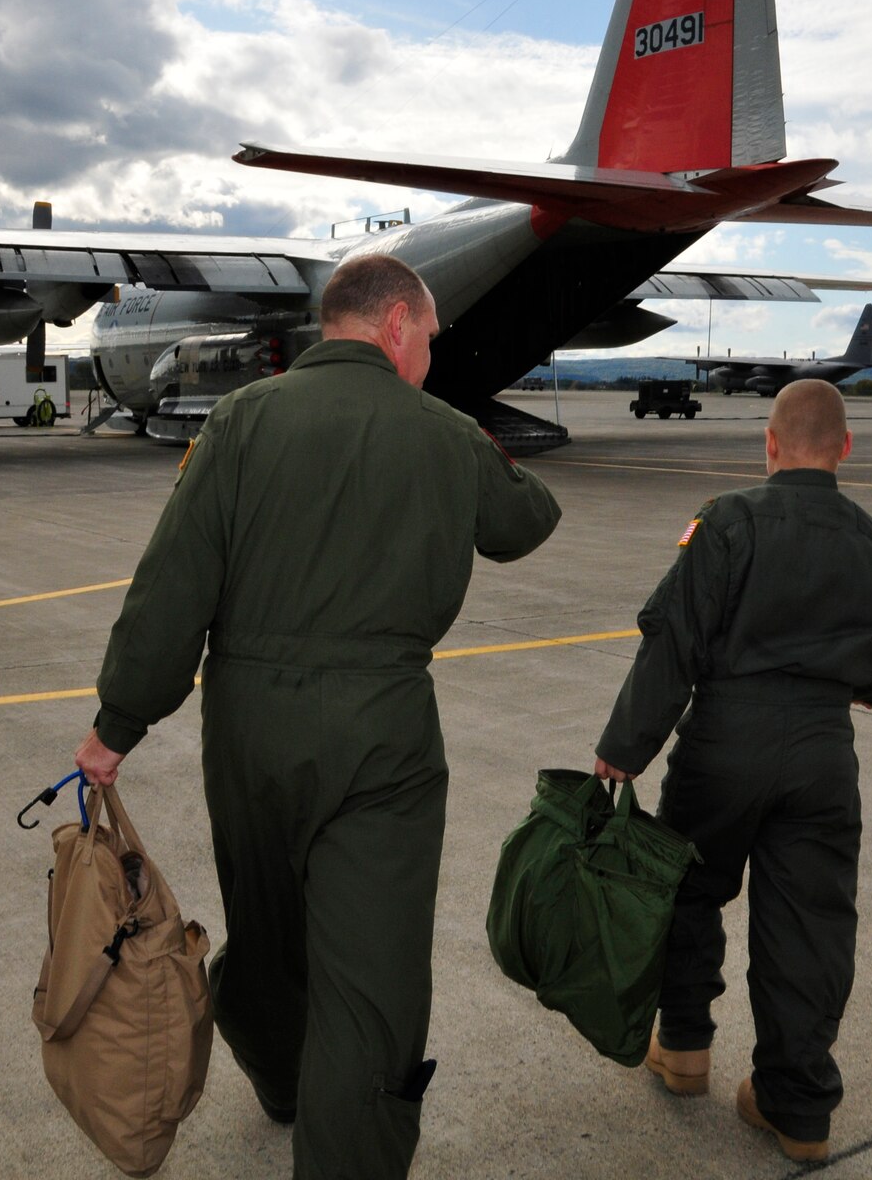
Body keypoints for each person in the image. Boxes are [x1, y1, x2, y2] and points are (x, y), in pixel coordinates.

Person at [72, 253, 560, 1179]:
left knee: (270, 937)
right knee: (369, 976)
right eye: (430, 340)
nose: (431, 357)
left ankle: (279, 1067)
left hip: (250, 731)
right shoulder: (443, 431)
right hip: (385, 734)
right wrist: (458, 440)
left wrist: (117, 725)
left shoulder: (242, 422)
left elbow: (174, 585)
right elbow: (527, 520)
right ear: (396, 328)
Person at [591, 379, 872, 1163]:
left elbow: (675, 640)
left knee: (690, 891)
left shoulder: (729, 521)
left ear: (769, 444)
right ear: (845, 449)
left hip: (724, 746)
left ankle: (686, 1050)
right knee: (810, 924)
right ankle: (797, 1108)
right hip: (820, 754)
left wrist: (624, 747)